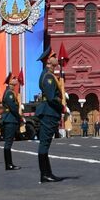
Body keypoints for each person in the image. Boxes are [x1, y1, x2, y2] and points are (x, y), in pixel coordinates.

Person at [35, 39, 65, 183]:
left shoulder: (50, 76)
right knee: (44, 143)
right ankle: (45, 174)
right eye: (53, 55)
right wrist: (62, 107)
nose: (56, 57)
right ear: (48, 60)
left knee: (45, 143)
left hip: (50, 112)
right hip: (49, 112)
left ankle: (47, 173)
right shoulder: (48, 77)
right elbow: (53, 98)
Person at [0, 76, 22, 171]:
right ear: (10, 82)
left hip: (10, 119)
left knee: (9, 142)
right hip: (10, 119)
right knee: (8, 143)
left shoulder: (10, 92)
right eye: (14, 78)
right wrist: (19, 117)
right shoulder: (9, 93)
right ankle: (9, 165)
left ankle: (9, 164)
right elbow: (13, 107)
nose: (16, 80)